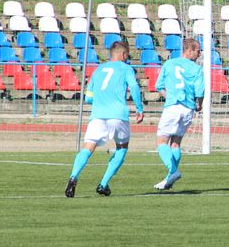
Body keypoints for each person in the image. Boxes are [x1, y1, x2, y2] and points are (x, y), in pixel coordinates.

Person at [64, 41, 144, 198]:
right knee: (121, 148)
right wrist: (139, 109)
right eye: (127, 55)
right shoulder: (126, 68)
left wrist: (102, 101)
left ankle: (73, 177)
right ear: (122, 54)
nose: (127, 58)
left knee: (87, 148)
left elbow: (88, 98)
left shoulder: (98, 70)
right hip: (118, 115)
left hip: (98, 115)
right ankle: (103, 184)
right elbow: (134, 87)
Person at [154, 37, 204, 191]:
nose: (199, 54)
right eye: (197, 50)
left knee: (161, 142)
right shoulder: (196, 69)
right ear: (189, 50)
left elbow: (158, 86)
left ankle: (173, 171)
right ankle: (170, 177)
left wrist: (168, 96)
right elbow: (200, 91)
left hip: (173, 107)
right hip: (188, 108)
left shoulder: (169, 63)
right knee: (175, 143)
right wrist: (199, 105)